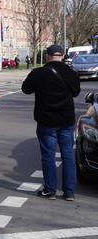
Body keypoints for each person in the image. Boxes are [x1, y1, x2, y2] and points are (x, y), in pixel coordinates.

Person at [21, 44, 80, 201]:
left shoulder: (38, 73)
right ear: (62, 56)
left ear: (47, 56)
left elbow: (25, 89)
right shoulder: (71, 73)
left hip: (46, 121)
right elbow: (76, 92)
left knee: (48, 156)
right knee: (68, 155)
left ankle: (50, 190)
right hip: (66, 120)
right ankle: (69, 192)